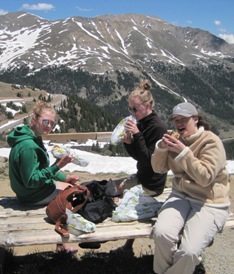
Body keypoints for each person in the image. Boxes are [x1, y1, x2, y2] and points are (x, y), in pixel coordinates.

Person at [151, 102, 230, 274]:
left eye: (183, 120)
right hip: (181, 195)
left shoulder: (211, 141)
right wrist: (161, 149)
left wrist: (183, 152)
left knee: (190, 251)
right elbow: (158, 168)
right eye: (175, 120)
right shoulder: (177, 140)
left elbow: (205, 177)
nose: (178, 124)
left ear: (195, 120)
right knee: (161, 233)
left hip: (209, 201)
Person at [7, 100, 79, 252]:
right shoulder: (29, 146)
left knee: (70, 186)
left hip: (27, 192)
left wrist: (63, 178)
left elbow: (41, 169)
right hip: (32, 194)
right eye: (45, 121)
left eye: (52, 124)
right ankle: (63, 241)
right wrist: (58, 165)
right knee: (73, 195)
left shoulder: (29, 137)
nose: (49, 126)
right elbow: (32, 181)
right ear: (34, 119)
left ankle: (61, 244)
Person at [112, 79, 168, 254]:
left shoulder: (157, 128)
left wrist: (137, 135)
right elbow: (138, 156)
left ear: (148, 105)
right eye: (130, 109)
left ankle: (126, 246)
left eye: (135, 109)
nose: (133, 113)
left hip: (152, 183)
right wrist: (129, 142)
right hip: (142, 176)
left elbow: (150, 161)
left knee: (116, 196)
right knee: (110, 188)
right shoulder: (142, 122)